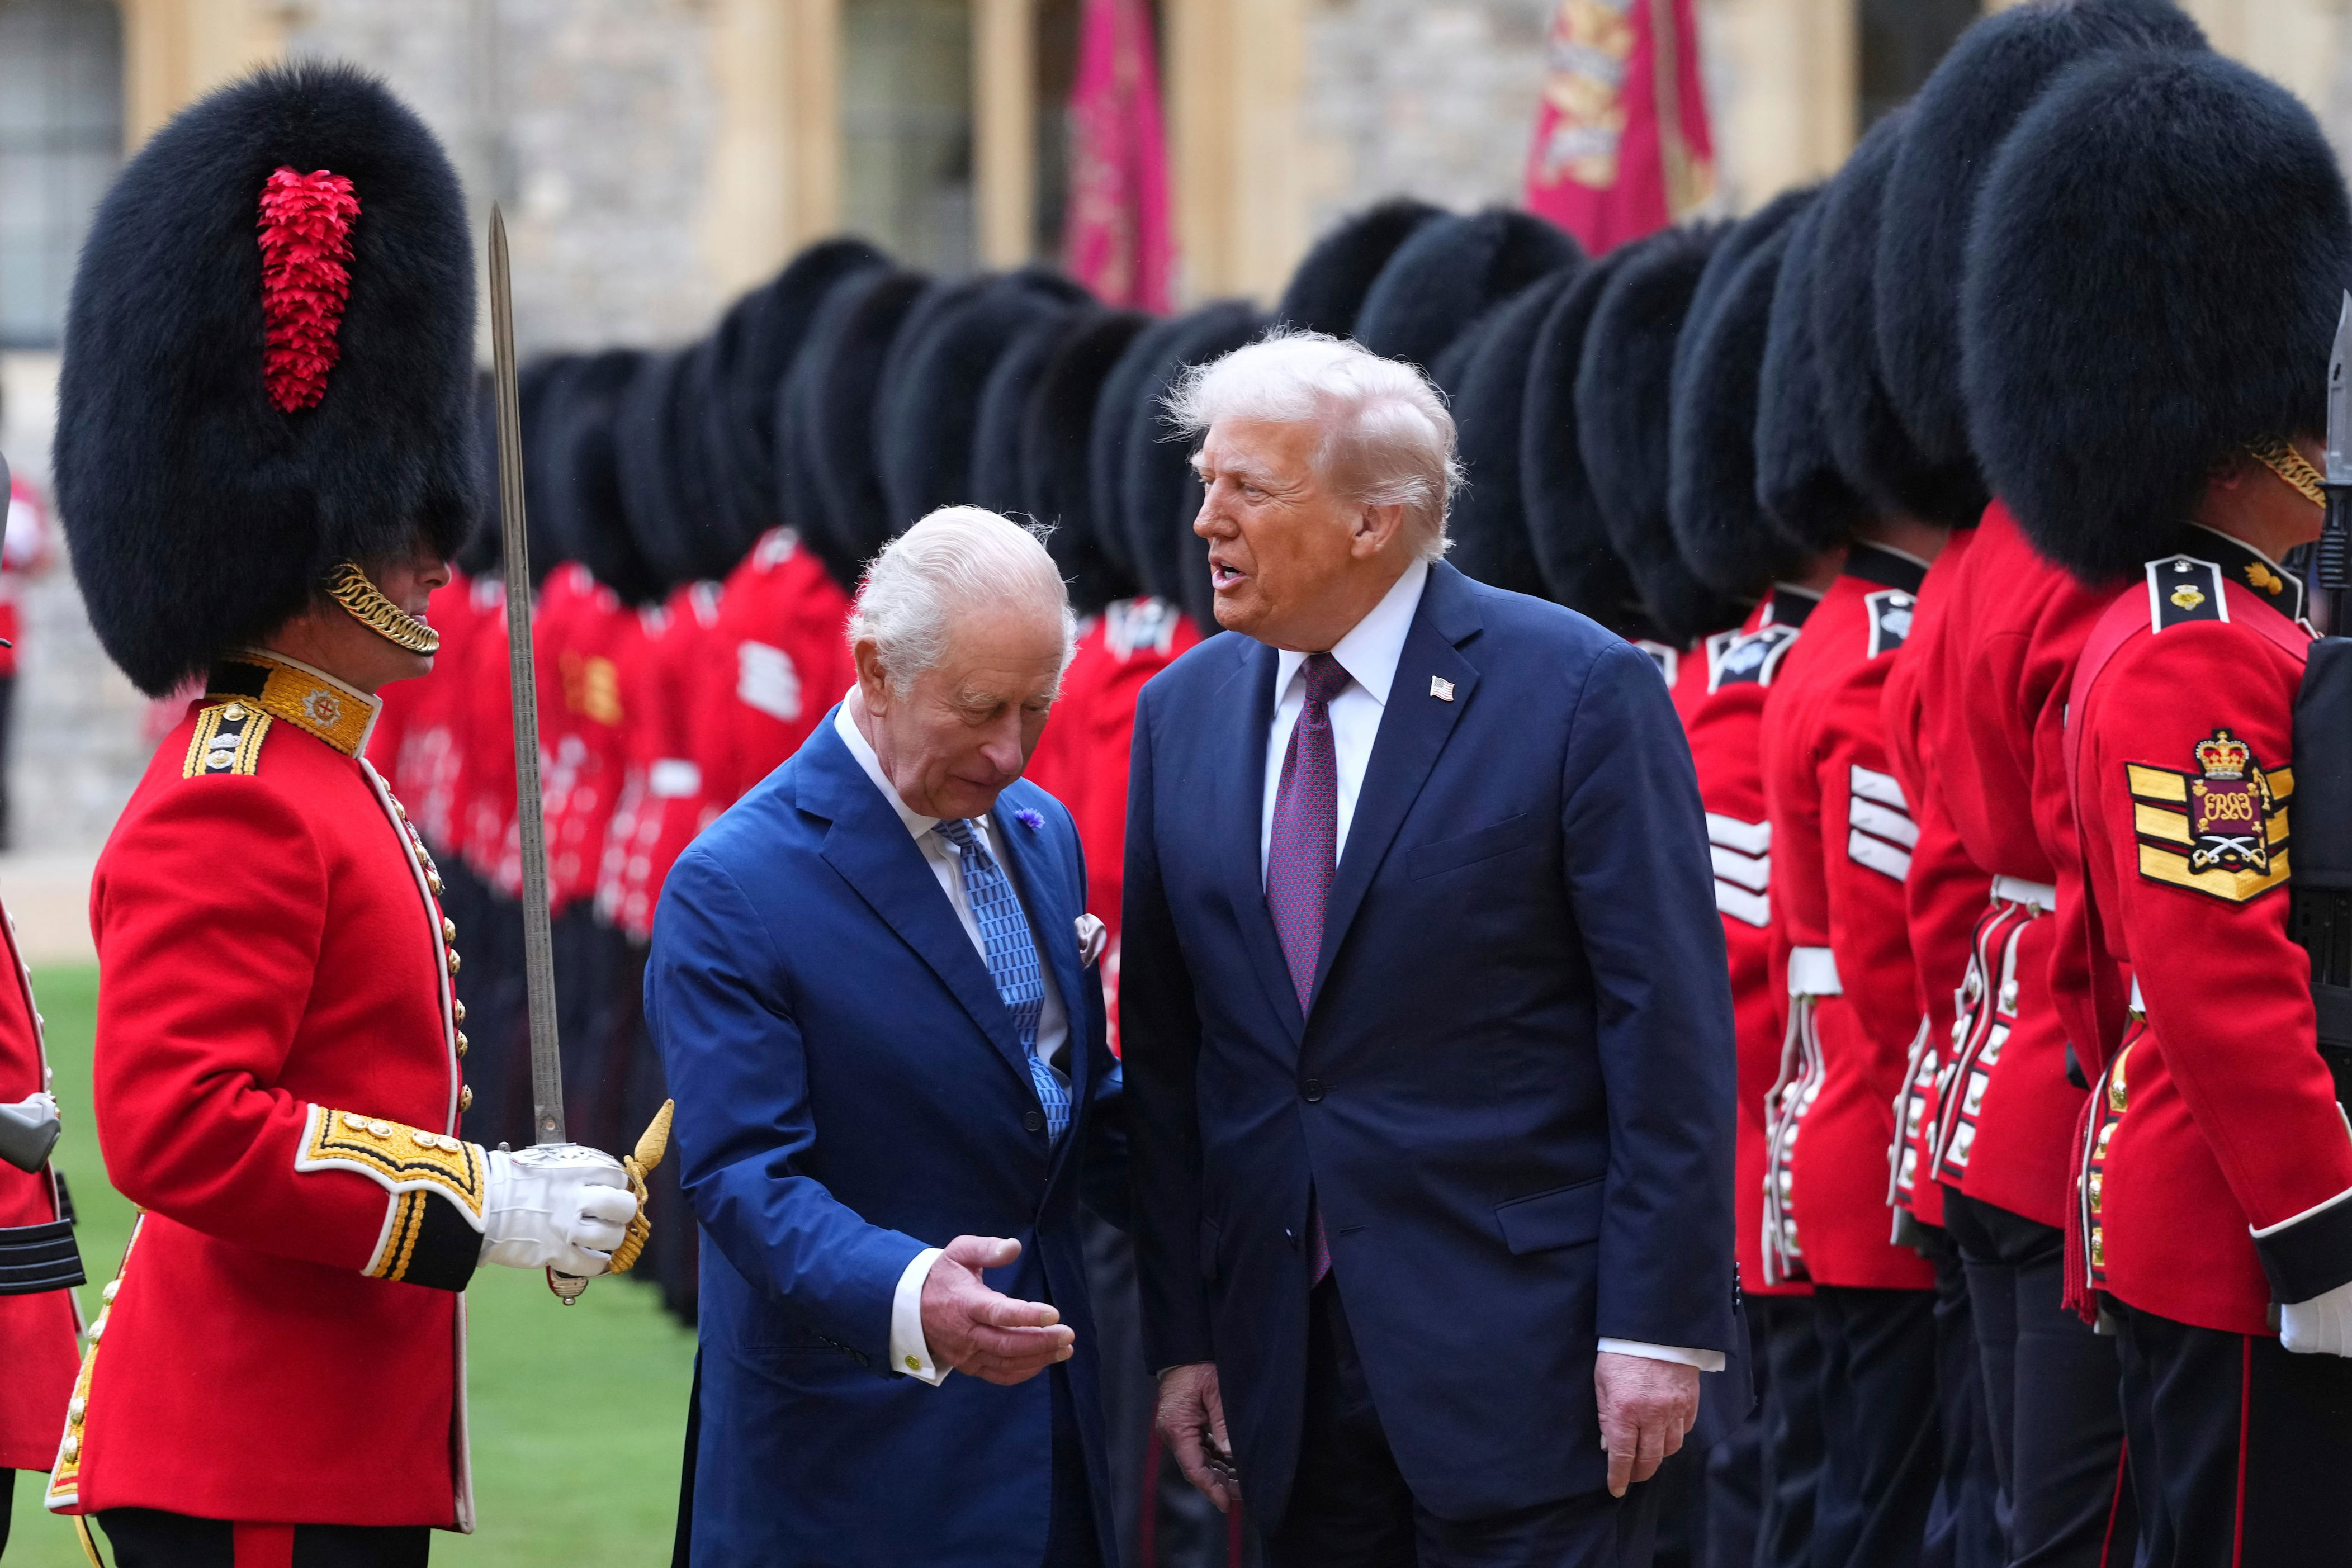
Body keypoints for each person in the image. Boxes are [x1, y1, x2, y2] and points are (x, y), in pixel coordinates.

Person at [39, 64, 642, 1565]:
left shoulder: (329, 773)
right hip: (249, 1446)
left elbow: (346, 1079)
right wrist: (475, 1199)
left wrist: (502, 1177)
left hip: (328, 1439)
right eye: (401, 526)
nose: (438, 558)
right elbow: (179, 1126)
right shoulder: (239, 798)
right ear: (314, 546)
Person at [1123, 331, 1740, 1567]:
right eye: (1206, 483)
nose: (1206, 520)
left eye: (1249, 487)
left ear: (1374, 521)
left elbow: (1665, 1030)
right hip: (1283, 1363)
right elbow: (1171, 1056)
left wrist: (1660, 1329)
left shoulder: (1576, 689)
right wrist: (1185, 1333)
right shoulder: (1177, 710)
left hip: (1531, 1354)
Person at [1965, 48, 2352, 1562]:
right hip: (2245, 1232)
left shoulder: (2228, 629)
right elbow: (2217, 974)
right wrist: (2322, 1231)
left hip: (2213, 1207)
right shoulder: (2192, 650)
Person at [645, 506, 1127, 1567]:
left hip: (1048, 1455)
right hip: (851, 1461)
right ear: (875, 668)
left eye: (1035, 710)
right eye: (979, 708)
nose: (1009, 750)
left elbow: (1064, 1108)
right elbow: (743, 1178)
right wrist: (912, 1292)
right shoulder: (735, 884)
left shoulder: (1042, 833)